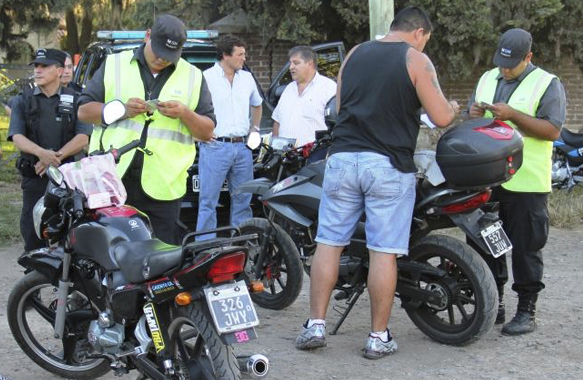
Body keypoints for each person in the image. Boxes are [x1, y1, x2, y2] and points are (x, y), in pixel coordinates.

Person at [295, 6, 459, 359]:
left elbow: (340, 106)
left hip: (341, 159)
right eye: (425, 41)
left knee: (328, 242)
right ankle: (377, 337)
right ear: (419, 33)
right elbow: (442, 115)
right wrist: (455, 107)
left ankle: (315, 326)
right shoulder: (415, 60)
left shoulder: (355, 54)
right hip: (387, 164)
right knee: (383, 251)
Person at [78, 14, 215, 245]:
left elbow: (206, 132)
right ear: (147, 36)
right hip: (113, 179)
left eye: (169, 56)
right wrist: (122, 110)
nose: (162, 59)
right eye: (159, 52)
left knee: (162, 263)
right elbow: (84, 112)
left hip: (164, 186)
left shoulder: (193, 76)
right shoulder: (114, 64)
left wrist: (185, 113)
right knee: (109, 254)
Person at [467, 28, 566, 335]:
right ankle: (491, 304)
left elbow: (552, 131)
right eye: (501, 62)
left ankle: (526, 311)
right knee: (485, 243)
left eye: (511, 64)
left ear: (529, 57)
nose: (504, 69)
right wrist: (473, 115)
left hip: (526, 183)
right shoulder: (487, 78)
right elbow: (474, 123)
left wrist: (513, 115)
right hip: (487, 179)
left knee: (526, 248)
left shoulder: (548, 83)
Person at [7, 48, 91, 252]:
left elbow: (83, 137)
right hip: (35, 177)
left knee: (71, 235)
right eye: (36, 65)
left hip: (67, 179)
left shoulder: (76, 99)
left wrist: (52, 158)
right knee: (33, 233)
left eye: (44, 66)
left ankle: (68, 281)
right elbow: (17, 137)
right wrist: (41, 154)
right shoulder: (23, 100)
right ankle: (33, 281)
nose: (38, 70)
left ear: (60, 70)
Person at [196, 35, 262, 239]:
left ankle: (241, 244)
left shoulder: (247, 78)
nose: (244, 58)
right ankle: (205, 249)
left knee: (243, 199)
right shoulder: (206, 78)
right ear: (225, 55)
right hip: (215, 146)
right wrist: (199, 134)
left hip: (243, 148)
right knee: (208, 201)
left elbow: (257, 104)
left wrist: (255, 129)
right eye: (240, 54)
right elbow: (193, 109)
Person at [271, 46, 336, 147]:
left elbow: (337, 125)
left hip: (314, 157)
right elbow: (277, 121)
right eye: (290, 63)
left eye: (296, 63)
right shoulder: (288, 89)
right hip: (285, 156)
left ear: (310, 63)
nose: (291, 67)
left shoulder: (329, 88)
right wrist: (274, 147)